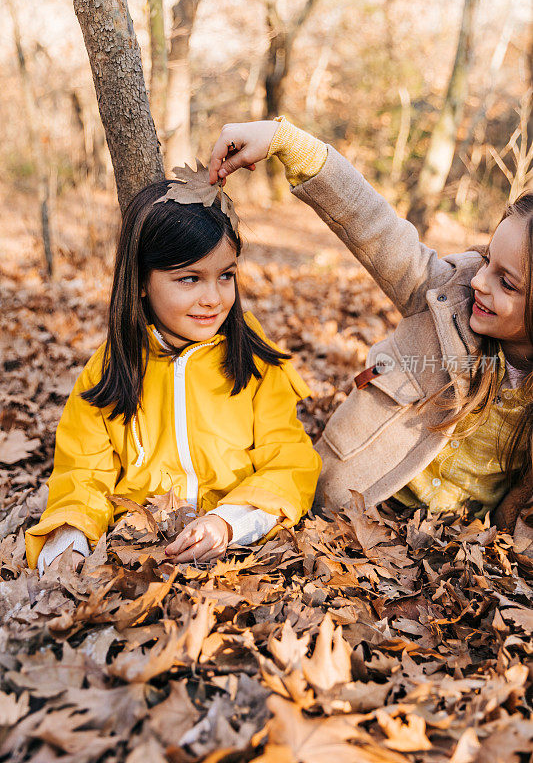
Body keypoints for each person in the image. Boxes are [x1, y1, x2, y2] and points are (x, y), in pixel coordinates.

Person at [208, 117, 533, 530]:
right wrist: (288, 143)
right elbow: (375, 226)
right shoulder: (446, 292)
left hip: (451, 543)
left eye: (506, 282)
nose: (479, 281)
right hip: (353, 511)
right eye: (487, 260)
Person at [25, 170, 321, 574]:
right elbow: (81, 473)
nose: (213, 299)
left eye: (226, 276)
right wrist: (69, 541)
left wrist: (230, 522)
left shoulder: (255, 362)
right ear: (142, 281)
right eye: (189, 278)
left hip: (236, 557)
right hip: (137, 559)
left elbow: (291, 459)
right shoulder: (108, 371)